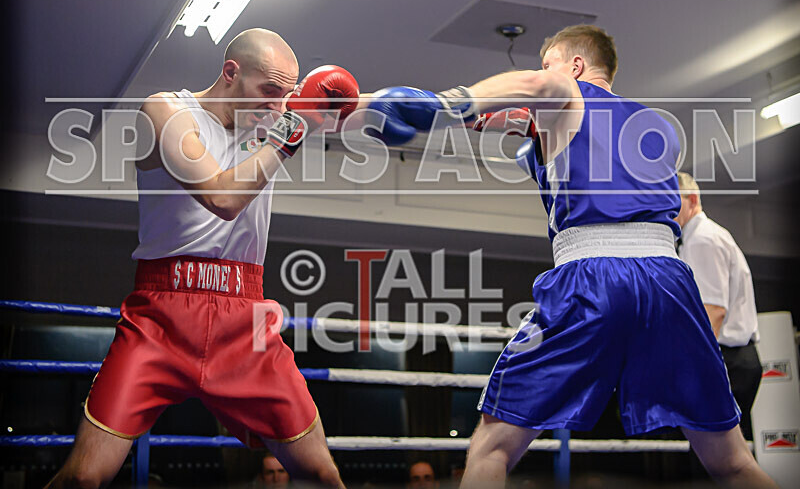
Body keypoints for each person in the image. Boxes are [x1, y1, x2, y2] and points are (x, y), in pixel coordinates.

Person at [365, 24, 776, 488]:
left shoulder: (565, 89)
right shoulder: (652, 124)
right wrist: (472, 117)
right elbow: (524, 115)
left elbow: (542, 89)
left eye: (550, 62)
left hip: (594, 276)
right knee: (731, 461)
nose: (546, 74)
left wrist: (450, 103)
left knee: (491, 447)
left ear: (576, 66)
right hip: (671, 284)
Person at [46, 28, 359, 489]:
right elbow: (223, 197)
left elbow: (362, 107)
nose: (278, 107)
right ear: (231, 73)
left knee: (320, 473)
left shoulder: (272, 118)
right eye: (269, 92)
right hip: (162, 316)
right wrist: (295, 128)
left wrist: (444, 109)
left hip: (247, 318)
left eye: (287, 96)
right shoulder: (167, 112)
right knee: (86, 476)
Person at [675, 171, 762, 440]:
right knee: (721, 459)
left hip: (728, 359)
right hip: (732, 359)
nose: (664, 209)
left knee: (720, 462)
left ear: (692, 199)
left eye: (671, 200)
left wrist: (696, 368)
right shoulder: (694, 238)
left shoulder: (702, 239)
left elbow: (714, 312)